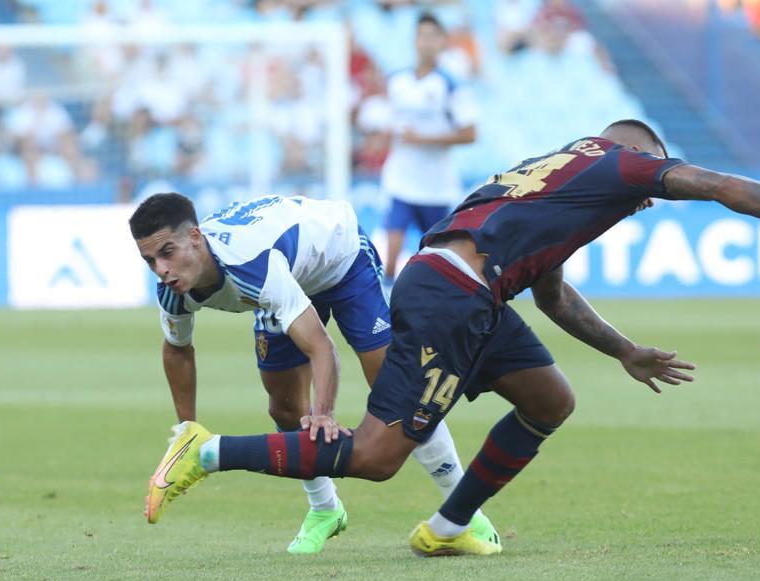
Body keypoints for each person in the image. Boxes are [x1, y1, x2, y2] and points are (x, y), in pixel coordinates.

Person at [142, 120, 760, 556]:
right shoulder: (619, 164)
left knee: (549, 398)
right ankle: (206, 452)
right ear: (638, 155)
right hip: (450, 297)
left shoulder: (549, 176)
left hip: (463, 287)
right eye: (652, 180)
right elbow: (717, 184)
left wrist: (622, 350)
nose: (651, 194)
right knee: (374, 455)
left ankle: (448, 524)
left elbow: (550, 288)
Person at [129, 193, 498, 554]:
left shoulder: (252, 265)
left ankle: (464, 510)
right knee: (285, 408)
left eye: (167, 252)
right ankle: (325, 510)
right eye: (149, 260)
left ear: (195, 238)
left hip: (341, 256)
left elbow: (321, 348)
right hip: (289, 275)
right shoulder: (175, 290)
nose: (161, 270)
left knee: (401, 391)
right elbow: (177, 349)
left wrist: (323, 413)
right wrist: (186, 431)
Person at [379, 12, 477, 290]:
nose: (427, 42)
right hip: (399, 177)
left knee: (435, 255)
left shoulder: (451, 85)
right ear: (414, 40)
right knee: (392, 246)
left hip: (435, 184)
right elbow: (390, 121)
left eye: (434, 37)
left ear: (443, 42)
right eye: (422, 36)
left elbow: (470, 134)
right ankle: (387, 300)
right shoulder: (396, 81)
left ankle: (434, 301)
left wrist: (422, 139)